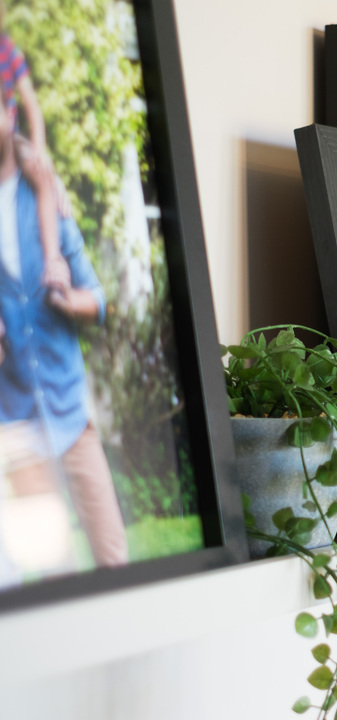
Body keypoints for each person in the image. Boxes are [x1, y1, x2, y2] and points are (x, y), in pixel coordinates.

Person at [0, 87, 127, 569]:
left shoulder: (46, 201)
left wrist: (65, 294)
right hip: (15, 420)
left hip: (70, 412)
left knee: (113, 557)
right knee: (55, 575)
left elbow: (96, 299)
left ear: (10, 114)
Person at [0, 2, 70, 292]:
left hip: (11, 139)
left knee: (42, 177)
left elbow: (31, 104)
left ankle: (53, 262)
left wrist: (39, 149)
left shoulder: (7, 49)